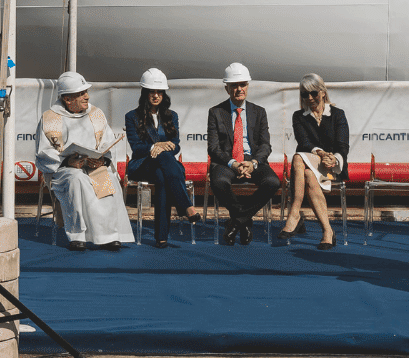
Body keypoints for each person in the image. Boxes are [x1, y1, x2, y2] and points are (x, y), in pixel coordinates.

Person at [35, 71, 135, 252]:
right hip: (65, 170)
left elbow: (107, 141)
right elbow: (43, 152)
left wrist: (102, 158)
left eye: (85, 92)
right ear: (67, 99)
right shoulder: (49, 118)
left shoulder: (96, 114)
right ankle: (77, 236)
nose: (87, 96)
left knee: (108, 179)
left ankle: (108, 236)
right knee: (77, 180)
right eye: (81, 94)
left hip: (92, 166)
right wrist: (67, 162)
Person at [124, 67, 199, 248]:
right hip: (141, 164)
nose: (156, 96)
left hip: (162, 167)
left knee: (161, 175)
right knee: (163, 161)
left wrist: (166, 147)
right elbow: (136, 147)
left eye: (159, 92)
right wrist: (155, 147)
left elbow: (176, 144)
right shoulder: (132, 117)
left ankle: (161, 237)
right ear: (145, 93)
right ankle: (185, 206)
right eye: (152, 92)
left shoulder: (171, 116)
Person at [206, 63, 280, 245]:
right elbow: (214, 148)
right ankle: (245, 222)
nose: (239, 89)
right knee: (219, 182)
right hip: (226, 162)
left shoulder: (259, 112)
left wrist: (253, 163)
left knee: (273, 182)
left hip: (253, 161)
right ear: (227, 88)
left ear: (247, 86)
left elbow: (265, 145)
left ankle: (235, 222)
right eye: (234, 86)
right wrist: (234, 163)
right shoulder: (216, 112)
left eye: (243, 85)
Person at [280, 73, 347, 250]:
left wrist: (333, 158)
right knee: (306, 169)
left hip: (332, 168)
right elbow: (304, 143)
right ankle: (327, 231)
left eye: (313, 93)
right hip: (310, 164)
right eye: (304, 94)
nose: (309, 98)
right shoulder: (299, 116)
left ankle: (295, 213)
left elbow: (342, 146)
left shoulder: (337, 115)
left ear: (323, 92)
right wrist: (321, 152)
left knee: (298, 158)